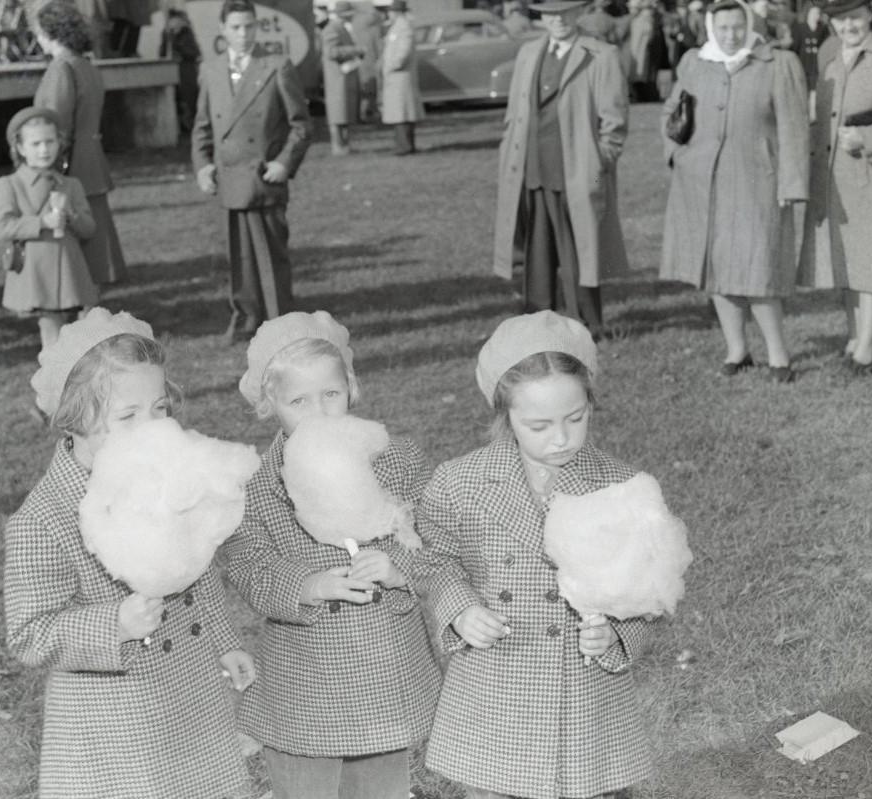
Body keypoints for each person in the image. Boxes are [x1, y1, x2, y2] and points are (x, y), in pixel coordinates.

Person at [4, 308, 254, 798]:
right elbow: (29, 633)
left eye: (160, 409)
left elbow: (196, 569)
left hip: (192, 688)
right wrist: (112, 623)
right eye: (127, 416)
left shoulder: (166, 478)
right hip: (115, 724)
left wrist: (224, 641)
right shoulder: (42, 520)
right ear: (74, 421)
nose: (152, 427)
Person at [414, 310, 656, 799]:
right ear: (505, 416)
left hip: (583, 693)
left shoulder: (620, 487)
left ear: (592, 401)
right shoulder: (459, 482)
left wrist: (616, 632)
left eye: (576, 418)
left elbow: (648, 589)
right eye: (539, 425)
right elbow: (432, 559)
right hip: (496, 683)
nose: (562, 438)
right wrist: (458, 609)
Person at [222, 310, 441, 799]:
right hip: (305, 679)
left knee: (380, 785)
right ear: (269, 405)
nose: (319, 412)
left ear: (352, 389)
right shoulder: (256, 486)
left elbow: (436, 540)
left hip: (386, 665)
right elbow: (249, 565)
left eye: (331, 394)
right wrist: (307, 584)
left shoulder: (395, 459)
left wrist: (399, 566)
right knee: (307, 786)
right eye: (299, 400)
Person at [660, 0, 808, 382]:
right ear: (711, 27)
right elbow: (671, 112)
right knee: (716, 269)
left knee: (758, 270)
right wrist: (677, 155)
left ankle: (778, 357)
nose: (731, 35)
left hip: (757, 181)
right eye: (723, 28)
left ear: (750, 25)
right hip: (703, 181)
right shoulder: (695, 62)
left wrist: (791, 183)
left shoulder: (777, 64)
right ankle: (737, 350)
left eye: (737, 28)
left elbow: (794, 128)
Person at [493, 0, 630, 339]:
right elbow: (514, 114)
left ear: (579, 13)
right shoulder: (529, 52)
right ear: (541, 17)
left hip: (579, 174)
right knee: (537, 250)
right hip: (533, 169)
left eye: (565, 12)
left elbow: (614, 126)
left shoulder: (601, 55)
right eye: (551, 13)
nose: (558, 20)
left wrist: (597, 170)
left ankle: (588, 323)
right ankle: (538, 321)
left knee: (581, 251)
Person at [192, 0, 312, 344]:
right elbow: (202, 126)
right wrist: (202, 166)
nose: (243, 34)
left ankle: (282, 324)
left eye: (249, 27)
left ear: (256, 28)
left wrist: (284, 164)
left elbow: (301, 126)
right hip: (229, 180)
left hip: (263, 179)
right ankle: (246, 319)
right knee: (239, 257)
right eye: (235, 28)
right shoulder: (211, 70)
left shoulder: (276, 65)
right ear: (223, 30)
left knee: (271, 255)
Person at [797, 0, 872, 375]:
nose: (848, 25)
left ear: (871, 14)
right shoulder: (831, 56)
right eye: (840, 19)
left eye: (855, 17)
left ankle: (867, 350)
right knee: (848, 257)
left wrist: (870, 137)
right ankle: (855, 335)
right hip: (835, 176)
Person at [34, 0, 128, 289]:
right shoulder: (86, 65)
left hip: (71, 164)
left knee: (76, 247)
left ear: (52, 33)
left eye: (39, 32)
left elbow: (54, 124)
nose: (37, 39)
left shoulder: (61, 68)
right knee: (93, 245)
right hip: (91, 160)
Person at [0, 107, 99, 351]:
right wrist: (42, 222)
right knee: (51, 336)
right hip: (36, 273)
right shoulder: (8, 184)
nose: (44, 150)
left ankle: (72, 383)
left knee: (80, 337)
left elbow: (89, 229)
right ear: (20, 148)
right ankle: (52, 387)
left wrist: (70, 215)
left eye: (50, 141)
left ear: (59, 143)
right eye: (35, 144)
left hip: (68, 272)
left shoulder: (70, 184)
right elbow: (3, 227)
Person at [321, 1, 365, 155]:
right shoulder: (332, 29)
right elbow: (330, 52)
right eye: (350, 13)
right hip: (337, 79)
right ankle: (339, 147)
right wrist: (355, 50)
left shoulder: (341, 28)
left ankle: (344, 146)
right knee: (338, 115)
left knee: (344, 113)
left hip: (344, 78)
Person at [381, 0, 423, 155]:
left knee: (402, 113)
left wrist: (391, 66)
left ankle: (404, 146)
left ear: (396, 12)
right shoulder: (398, 27)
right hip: (397, 77)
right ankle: (404, 144)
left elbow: (402, 53)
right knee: (400, 112)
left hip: (400, 76)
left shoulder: (403, 27)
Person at [159, 7, 202, 135]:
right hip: (172, 72)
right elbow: (162, 53)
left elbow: (194, 52)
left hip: (186, 71)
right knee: (176, 100)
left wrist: (180, 49)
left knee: (189, 98)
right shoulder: (167, 34)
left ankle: (191, 124)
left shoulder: (186, 33)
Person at [349, 0, 384, 122]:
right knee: (372, 89)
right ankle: (370, 112)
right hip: (371, 61)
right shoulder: (374, 25)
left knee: (364, 89)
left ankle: (362, 113)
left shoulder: (355, 22)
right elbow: (379, 45)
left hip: (360, 60)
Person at [790, 1, 830, 93]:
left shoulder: (823, 29)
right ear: (808, 13)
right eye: (813, 13)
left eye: (818, 13)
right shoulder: (799, 28)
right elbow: (795, 48)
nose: (816, 16)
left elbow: (825, 47)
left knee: (815, 92)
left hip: (816, 67)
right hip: (803, 65)